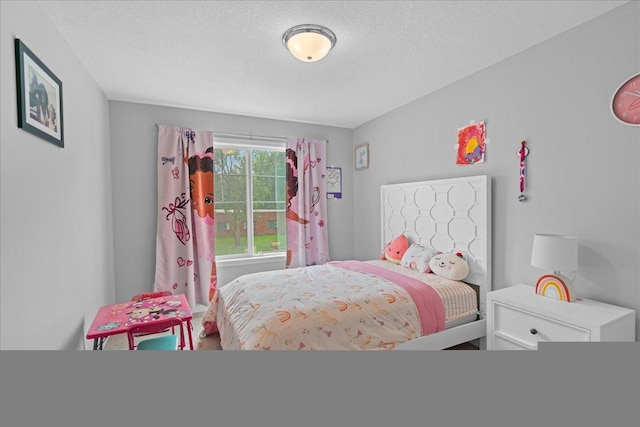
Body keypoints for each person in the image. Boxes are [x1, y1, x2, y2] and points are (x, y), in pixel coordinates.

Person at [285, 148, 309, 267]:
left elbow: (292, 215)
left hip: (292, 231)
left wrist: (303, 221)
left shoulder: (288, 208)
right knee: (288, 251)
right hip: (288, 230)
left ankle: (288, 272)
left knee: (289, 251)